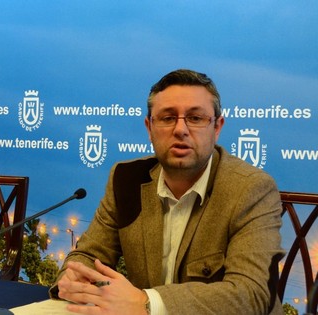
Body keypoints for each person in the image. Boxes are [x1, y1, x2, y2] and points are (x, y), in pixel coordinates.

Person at [50, 69, 284, 314]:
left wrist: (147, 303)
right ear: (149, 127)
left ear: (217, 128)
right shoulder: (126, 179)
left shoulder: (251, 189)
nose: (180, 130)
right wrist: (73, 278)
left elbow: (252, 294)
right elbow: (89, 254)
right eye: (167, 118)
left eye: (195, 118)